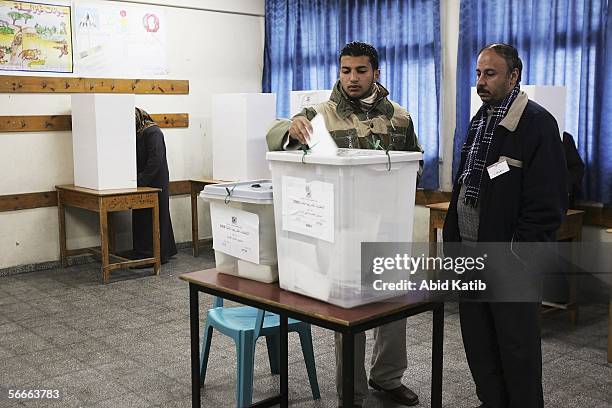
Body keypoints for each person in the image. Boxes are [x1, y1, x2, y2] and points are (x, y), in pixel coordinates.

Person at [267, 41, 422, 408]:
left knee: (392, 305)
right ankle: (351, 394)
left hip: (387, 226)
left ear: (376, 73)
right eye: (346, 71)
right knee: (349, 311)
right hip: (342, 231)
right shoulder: (320, 114)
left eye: (361, 71)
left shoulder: (399, 117)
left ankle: (387, 377)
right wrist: (292, 127)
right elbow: (277, 135)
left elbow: (414, 165)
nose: (352, 78)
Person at [443, 44, 568, 408]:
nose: (480, 81)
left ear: (514, 76)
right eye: (479, 73)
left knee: (517, 349)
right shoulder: (481, 118)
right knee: (480, 344)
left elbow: (548, 203)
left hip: (509, 261)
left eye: (490, 73)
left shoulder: (537, 123)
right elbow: (466, 184)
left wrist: (518, 254)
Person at [132, 107, 177, 264]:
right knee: (145, 216)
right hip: (145, 181)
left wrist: (142, 180)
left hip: (156, 181)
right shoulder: (142, 131)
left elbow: (155, 159)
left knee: (156, 216)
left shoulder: (153, 132)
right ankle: (153, 252)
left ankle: (153, 254)